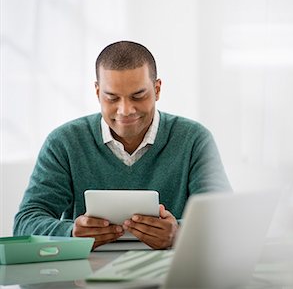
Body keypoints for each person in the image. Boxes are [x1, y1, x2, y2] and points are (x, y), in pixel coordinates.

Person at [13, 41, 231, 250]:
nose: (125, 110)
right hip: (83, 277)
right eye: (112, 98)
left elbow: (225, 219)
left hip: (170, 275)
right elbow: (25, 223)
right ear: (98, 93)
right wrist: (71, 233)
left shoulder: (193, 139)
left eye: (138, 95)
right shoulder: (64, 142)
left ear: (157, 89)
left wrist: (179, 233)